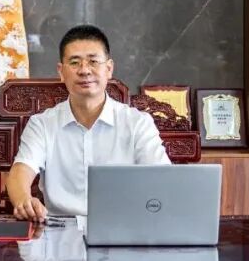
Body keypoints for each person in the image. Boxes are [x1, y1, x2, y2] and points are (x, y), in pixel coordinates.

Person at [9, 24, 170, 221]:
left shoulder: (137, 123)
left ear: (109, 68)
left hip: (122, 226)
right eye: (74, 62)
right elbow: (21, 171)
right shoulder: (41, 124)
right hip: (60, 228)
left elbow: (163, 179)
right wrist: (24, 201)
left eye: (93, 61)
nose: (84, 70)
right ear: (61, 71)